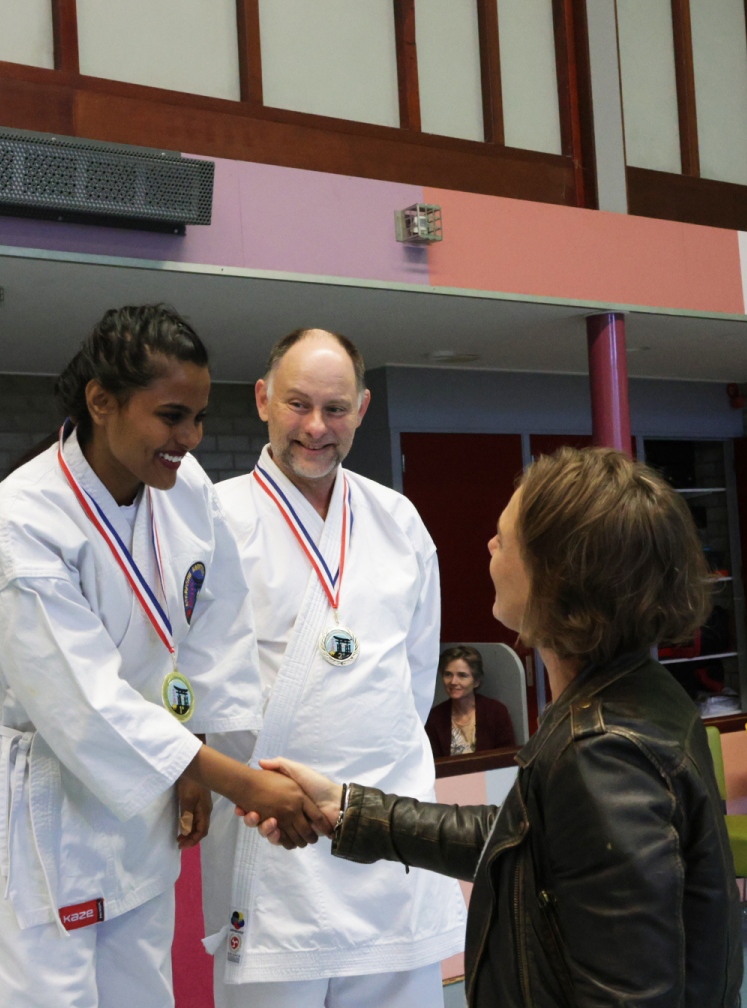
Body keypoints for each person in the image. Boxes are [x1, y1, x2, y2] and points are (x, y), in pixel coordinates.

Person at [245, 447, 743, 1007]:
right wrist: (350, 810)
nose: (489, 547)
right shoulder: (638, 695)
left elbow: (630, 994)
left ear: (556, 574)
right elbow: (526, 843)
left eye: (504, 539)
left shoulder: (603, 753)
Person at [0, 304, 321, 1008]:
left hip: (144, 789)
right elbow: (82, 706)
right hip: (33, 808)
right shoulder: (19, 524)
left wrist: (196, 755)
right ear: (101, 401)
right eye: (172, 416)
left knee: (143, 991)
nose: (189, 439)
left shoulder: (185, 489)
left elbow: (213, 624)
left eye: (199, 419)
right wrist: (235, 781)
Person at [202, 328, 465, 1008]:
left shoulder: (398, 520)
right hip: (272, 842)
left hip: (388, 838)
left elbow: (415, 678)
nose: (316, 427)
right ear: (262, 399)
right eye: (298, 404)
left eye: (336, 408)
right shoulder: (211, 519)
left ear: (363, 409)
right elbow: (184, 681)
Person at [424, 645, 517, 757]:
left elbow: (507, 758)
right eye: (448, 674)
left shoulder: (496, 712)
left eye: (462, 675)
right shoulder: (434, 718)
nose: (453, 682)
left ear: (476, 681)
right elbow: (433, 762)